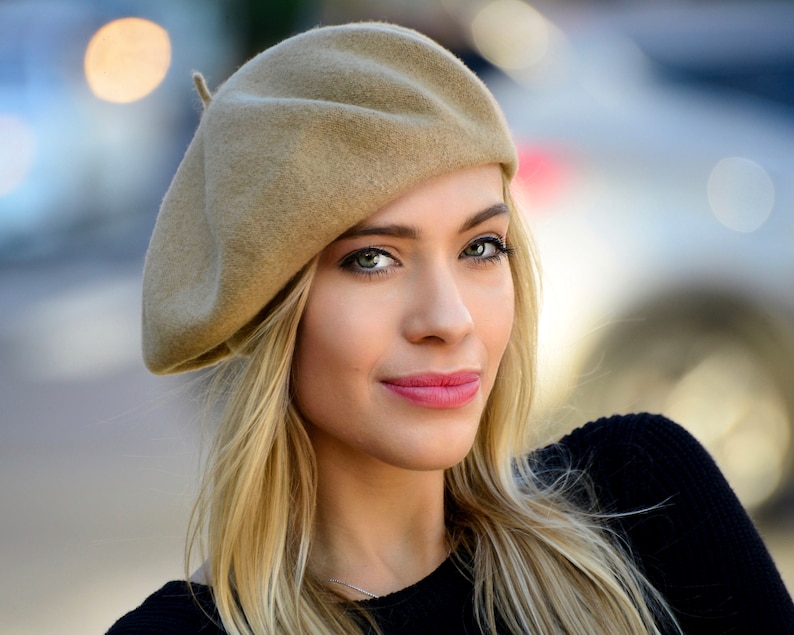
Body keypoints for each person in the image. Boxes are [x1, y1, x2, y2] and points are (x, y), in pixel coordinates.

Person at [106, 22, 794, 635]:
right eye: (371, 259)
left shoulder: (642, 498)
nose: (448, 318)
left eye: (481, 248)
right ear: (268, 304)